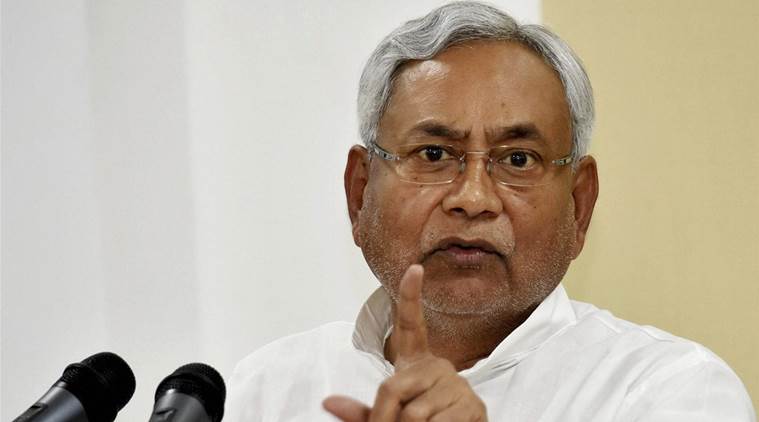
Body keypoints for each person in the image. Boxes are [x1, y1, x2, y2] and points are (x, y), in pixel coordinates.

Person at [225, 2, 755, 421]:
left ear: (580, 205)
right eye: (434, 154)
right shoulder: (265, 394)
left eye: (518, 159)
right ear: (359, 193)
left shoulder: (670, 394)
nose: (473, 198)